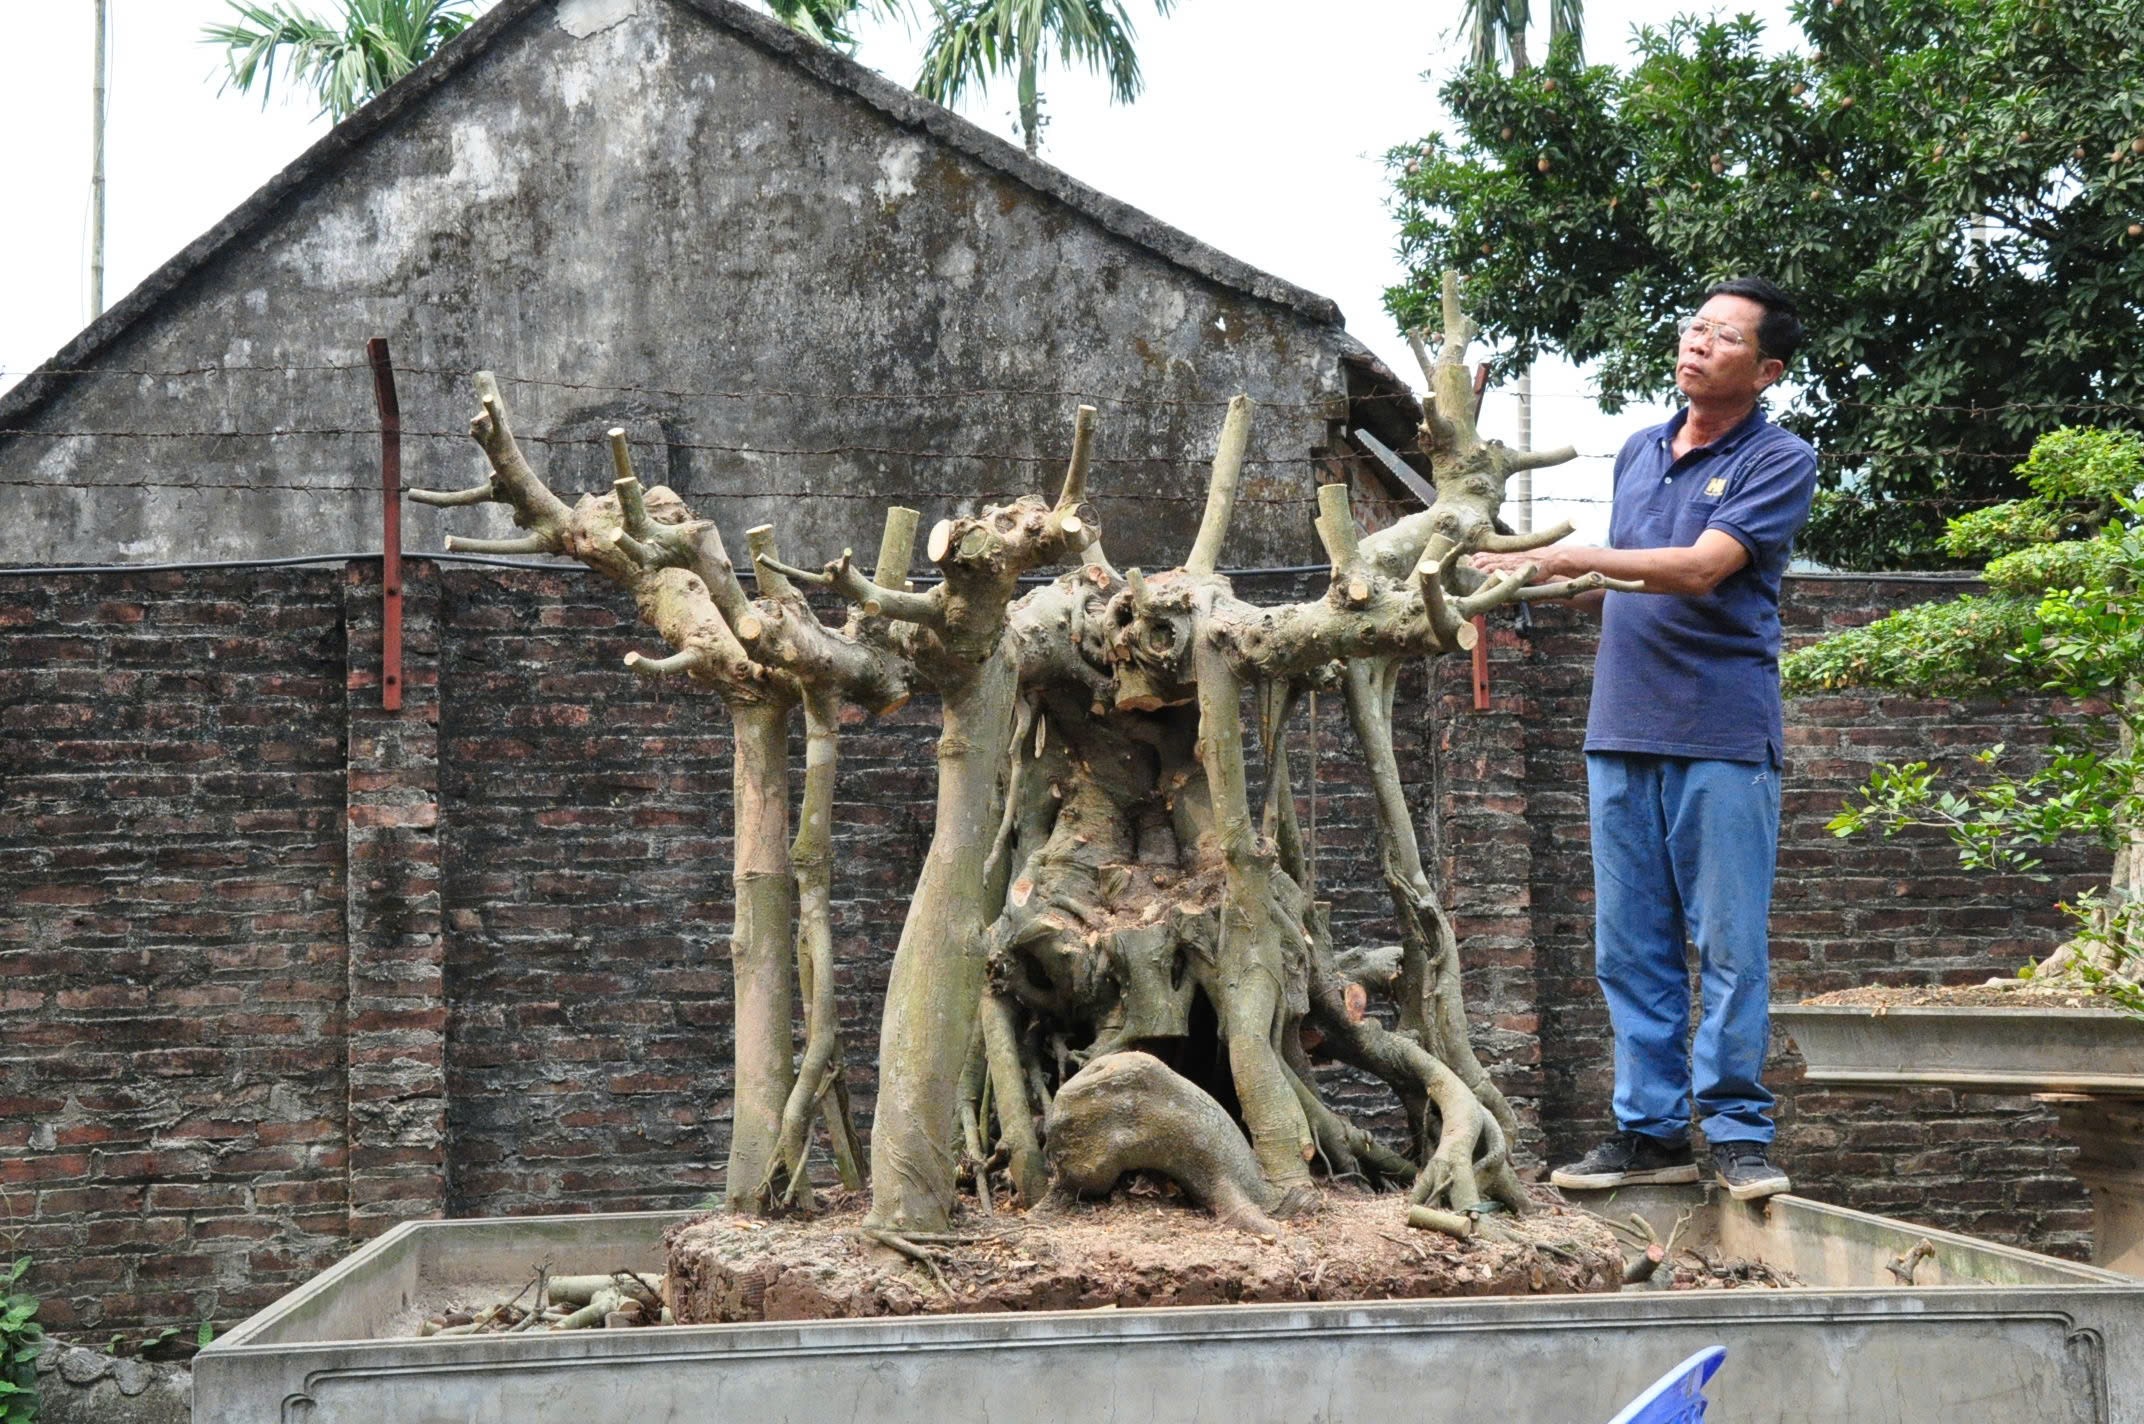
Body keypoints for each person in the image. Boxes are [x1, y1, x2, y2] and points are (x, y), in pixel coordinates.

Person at [1471, 276, 1817, 1201]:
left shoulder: (1778, 459)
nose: (1699, 343)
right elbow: (1621, 581)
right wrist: (1515, 572)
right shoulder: (1639, 450)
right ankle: (1652, 1130)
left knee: (1729, 945)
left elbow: (1701, 569)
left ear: (1766, 368)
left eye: (1725, 336)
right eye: (1695, 326)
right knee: (1630, 947)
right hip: (1620, 728)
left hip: (1721, 734)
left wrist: (1574, 551)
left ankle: (1739, 1132)